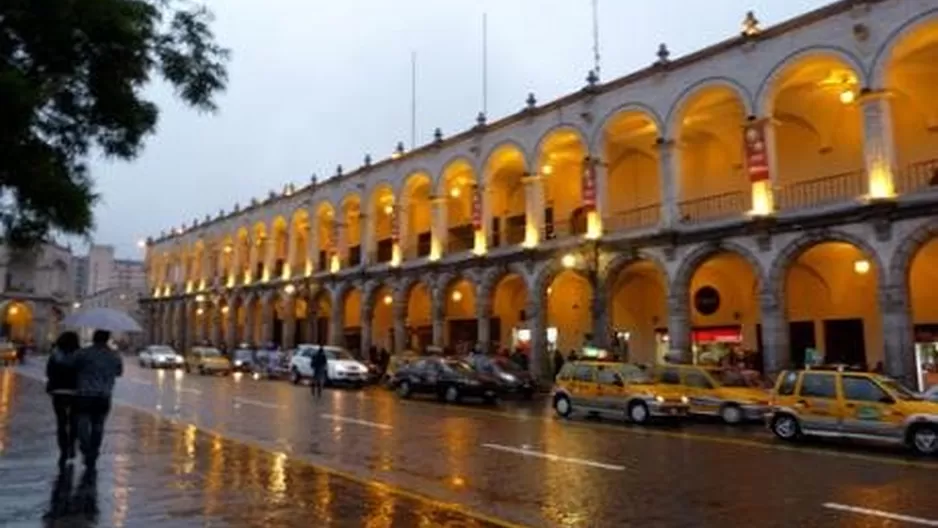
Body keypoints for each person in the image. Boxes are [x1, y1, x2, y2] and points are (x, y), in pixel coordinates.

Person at [72, 329, 123, 469]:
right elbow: (119, 372)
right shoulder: (114, 355)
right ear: (107, 339)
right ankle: (94, 451)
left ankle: (85, 447)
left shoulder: (83, 353)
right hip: (104, 395)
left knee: (82, 422)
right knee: (98, 424)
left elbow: (73, 366)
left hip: (85, 394)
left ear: (94, 338)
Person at [46, 331, 81, 467]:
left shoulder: (55, 355)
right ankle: (72, 445)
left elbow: (48, 372)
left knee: (61, 422)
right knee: (74, 421)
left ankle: (63, 450)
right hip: (75, 392)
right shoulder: (79, 355)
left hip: (58, 391)